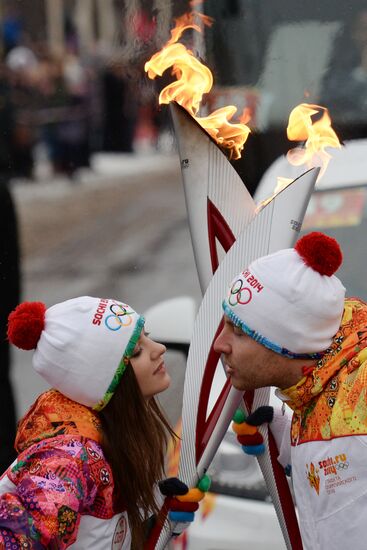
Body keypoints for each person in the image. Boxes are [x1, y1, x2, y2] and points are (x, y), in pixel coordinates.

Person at [1, 296, 206, 548]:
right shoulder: (69, 460)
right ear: (104, 382)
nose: (159, 348)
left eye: (148, 336)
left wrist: (160, 518)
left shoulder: (111, 438)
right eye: (137, 351)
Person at [214, 231, 367, 550]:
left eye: (239, 332)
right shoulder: (317, 390)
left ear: (286, 344)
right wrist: (288, 439)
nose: (219, 344)